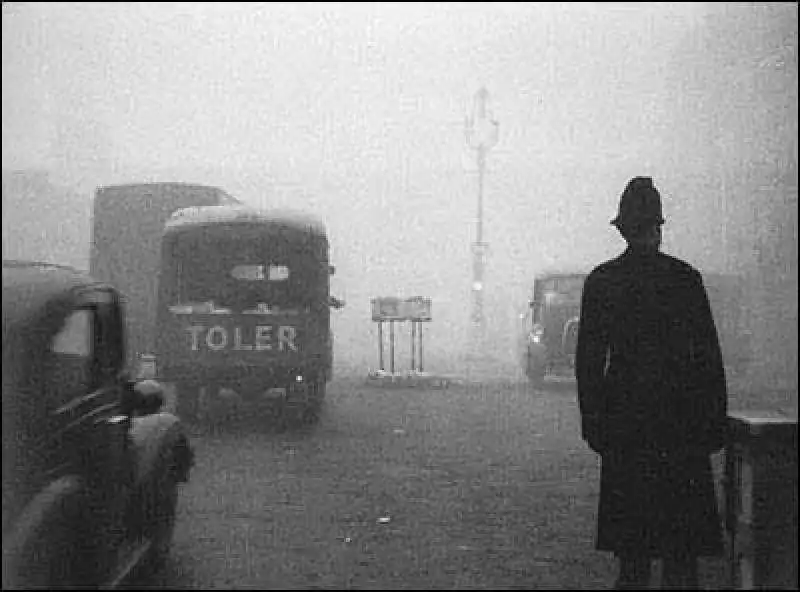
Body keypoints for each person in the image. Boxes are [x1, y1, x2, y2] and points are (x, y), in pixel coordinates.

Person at [575, 177, 728, 590]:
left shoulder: (603, 282)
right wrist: (714, 423)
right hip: (683, 430)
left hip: (627, 432)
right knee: (682, 560)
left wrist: (595, 423)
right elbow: (709, 360)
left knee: (633, 560)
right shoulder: (685, 280)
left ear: (623, 228)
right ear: (658, 228)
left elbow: (588, 364)